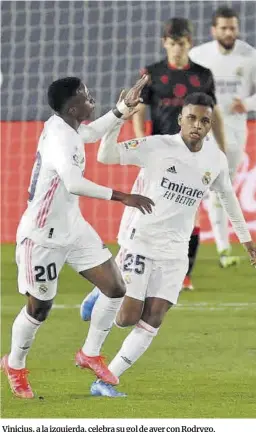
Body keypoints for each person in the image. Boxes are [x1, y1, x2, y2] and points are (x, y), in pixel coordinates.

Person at [80, 92, 256, 397]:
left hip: (176, 251)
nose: (198, 125)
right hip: (141, 241)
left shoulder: (214, 159)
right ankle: (101, 291)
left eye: (204, 120)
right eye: (192, 118)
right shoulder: (156, 146)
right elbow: (104, 156)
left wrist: (246, 240)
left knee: (156, 315)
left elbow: (228, 198)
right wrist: (120, 117)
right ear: (180, 119)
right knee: (125, 318)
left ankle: (107, 380)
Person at [1, 75, 155, 399]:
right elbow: (73, 182)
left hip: (73, 227)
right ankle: (15, 364)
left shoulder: (68, 126)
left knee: (115, 288)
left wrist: (121, 110)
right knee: (39, 308)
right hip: (41, 237)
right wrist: (123, 196)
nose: (91, 97)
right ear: (73, 106)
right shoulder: (59, 137)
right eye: (86, 95)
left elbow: (90, 132)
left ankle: (90, 353)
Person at [132, 17, 228, 290]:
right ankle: (145, 264)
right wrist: (141, 145)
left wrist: (222, 147)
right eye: (172, 43)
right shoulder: (151, 73)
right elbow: (139, 109)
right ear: (165, 43)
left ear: (190, 44)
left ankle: (184, 273)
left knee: (190, 211)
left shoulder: (202, 75)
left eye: (182, 44)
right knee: (152, 209)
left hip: (194, 153)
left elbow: (214, 113)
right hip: (161, 151)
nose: (177, 49)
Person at [189, 6, 256, 268]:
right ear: (214, 30)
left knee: (223, 187)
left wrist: (248, 103)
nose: (229, 32)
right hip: (200, 128)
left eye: (233, 27)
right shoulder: (198, 55)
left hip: (234, 130)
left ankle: (222, 249)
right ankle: (219, 247)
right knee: (198, 186)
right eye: (224, 28)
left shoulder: (251, 56)